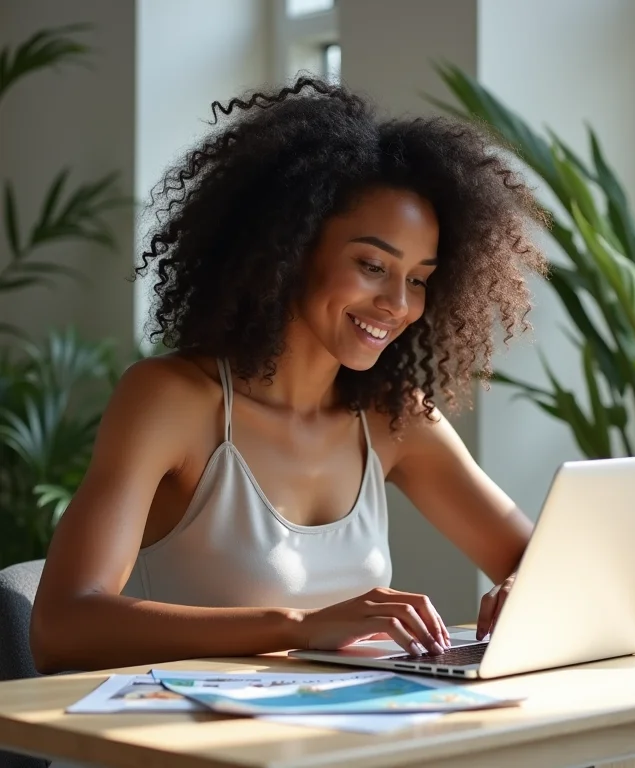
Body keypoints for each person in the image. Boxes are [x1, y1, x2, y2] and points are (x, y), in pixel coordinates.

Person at [30, 77, 547, 675]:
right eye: (372, 265)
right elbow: (62, 626)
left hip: (321, 739)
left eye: (419, 278)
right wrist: (299, 627)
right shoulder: (173, 401)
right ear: (291, 248)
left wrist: (529, 588)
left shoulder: (392, 416)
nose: (397, 304)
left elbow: (536, 558)